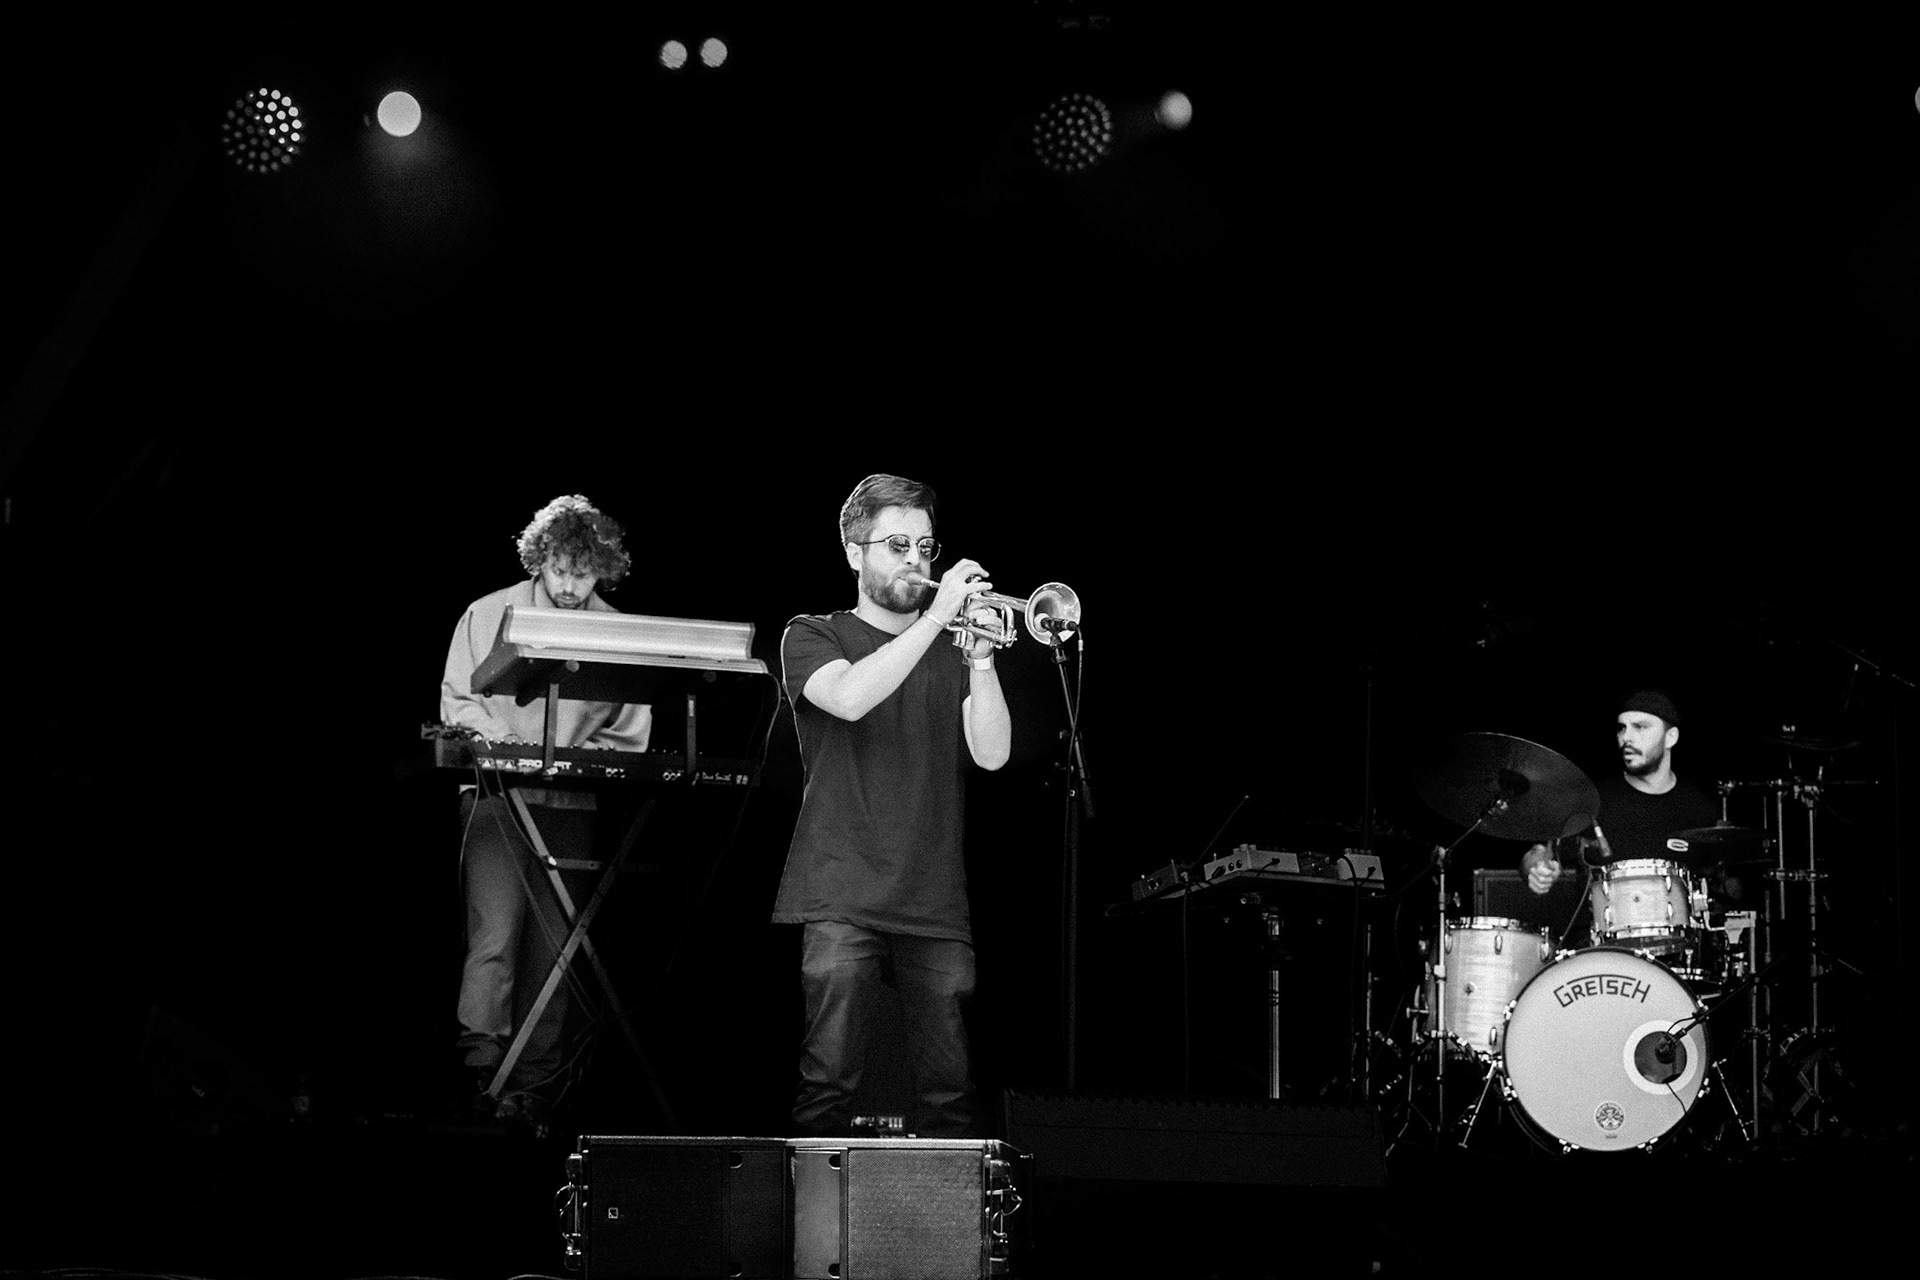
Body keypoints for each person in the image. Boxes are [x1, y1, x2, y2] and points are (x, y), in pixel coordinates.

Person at [770, 473, 1012, 1139]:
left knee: (950, 1099)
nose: (916, 561)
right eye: (897, 545)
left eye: (926, 547)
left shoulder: (948, 646)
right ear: (854, 552)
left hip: (934, 898)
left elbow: (991, 754)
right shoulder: (813, 634)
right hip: (841, 889)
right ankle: (814, 1244)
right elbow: (849, 698)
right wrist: (937, 619)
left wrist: (983, 662)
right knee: (827, 1088)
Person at [440, 494, 652, 1134]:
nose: (569, 586)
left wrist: (574, 759)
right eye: (560, 571)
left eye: (583, 574)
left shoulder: (616, 628)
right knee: (495, 935)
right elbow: (459, 699)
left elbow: (631, 728)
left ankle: (535, 1088)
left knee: (558, 948)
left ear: (602, 571)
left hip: (571, 800)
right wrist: (514, 752)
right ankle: (483, 1074)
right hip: (497, 795)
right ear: (540, 561)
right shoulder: (488, 612)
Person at [1521, 689, 1720, 939]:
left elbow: (1723, 885)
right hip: (1602, 956)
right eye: (1622, 728)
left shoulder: (1698, 809)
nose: (1627, 738)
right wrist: (1536, 868)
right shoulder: (1592, 801)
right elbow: (1541, 853)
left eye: (1640, 727)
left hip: (1679, 955)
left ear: (1671, 737)